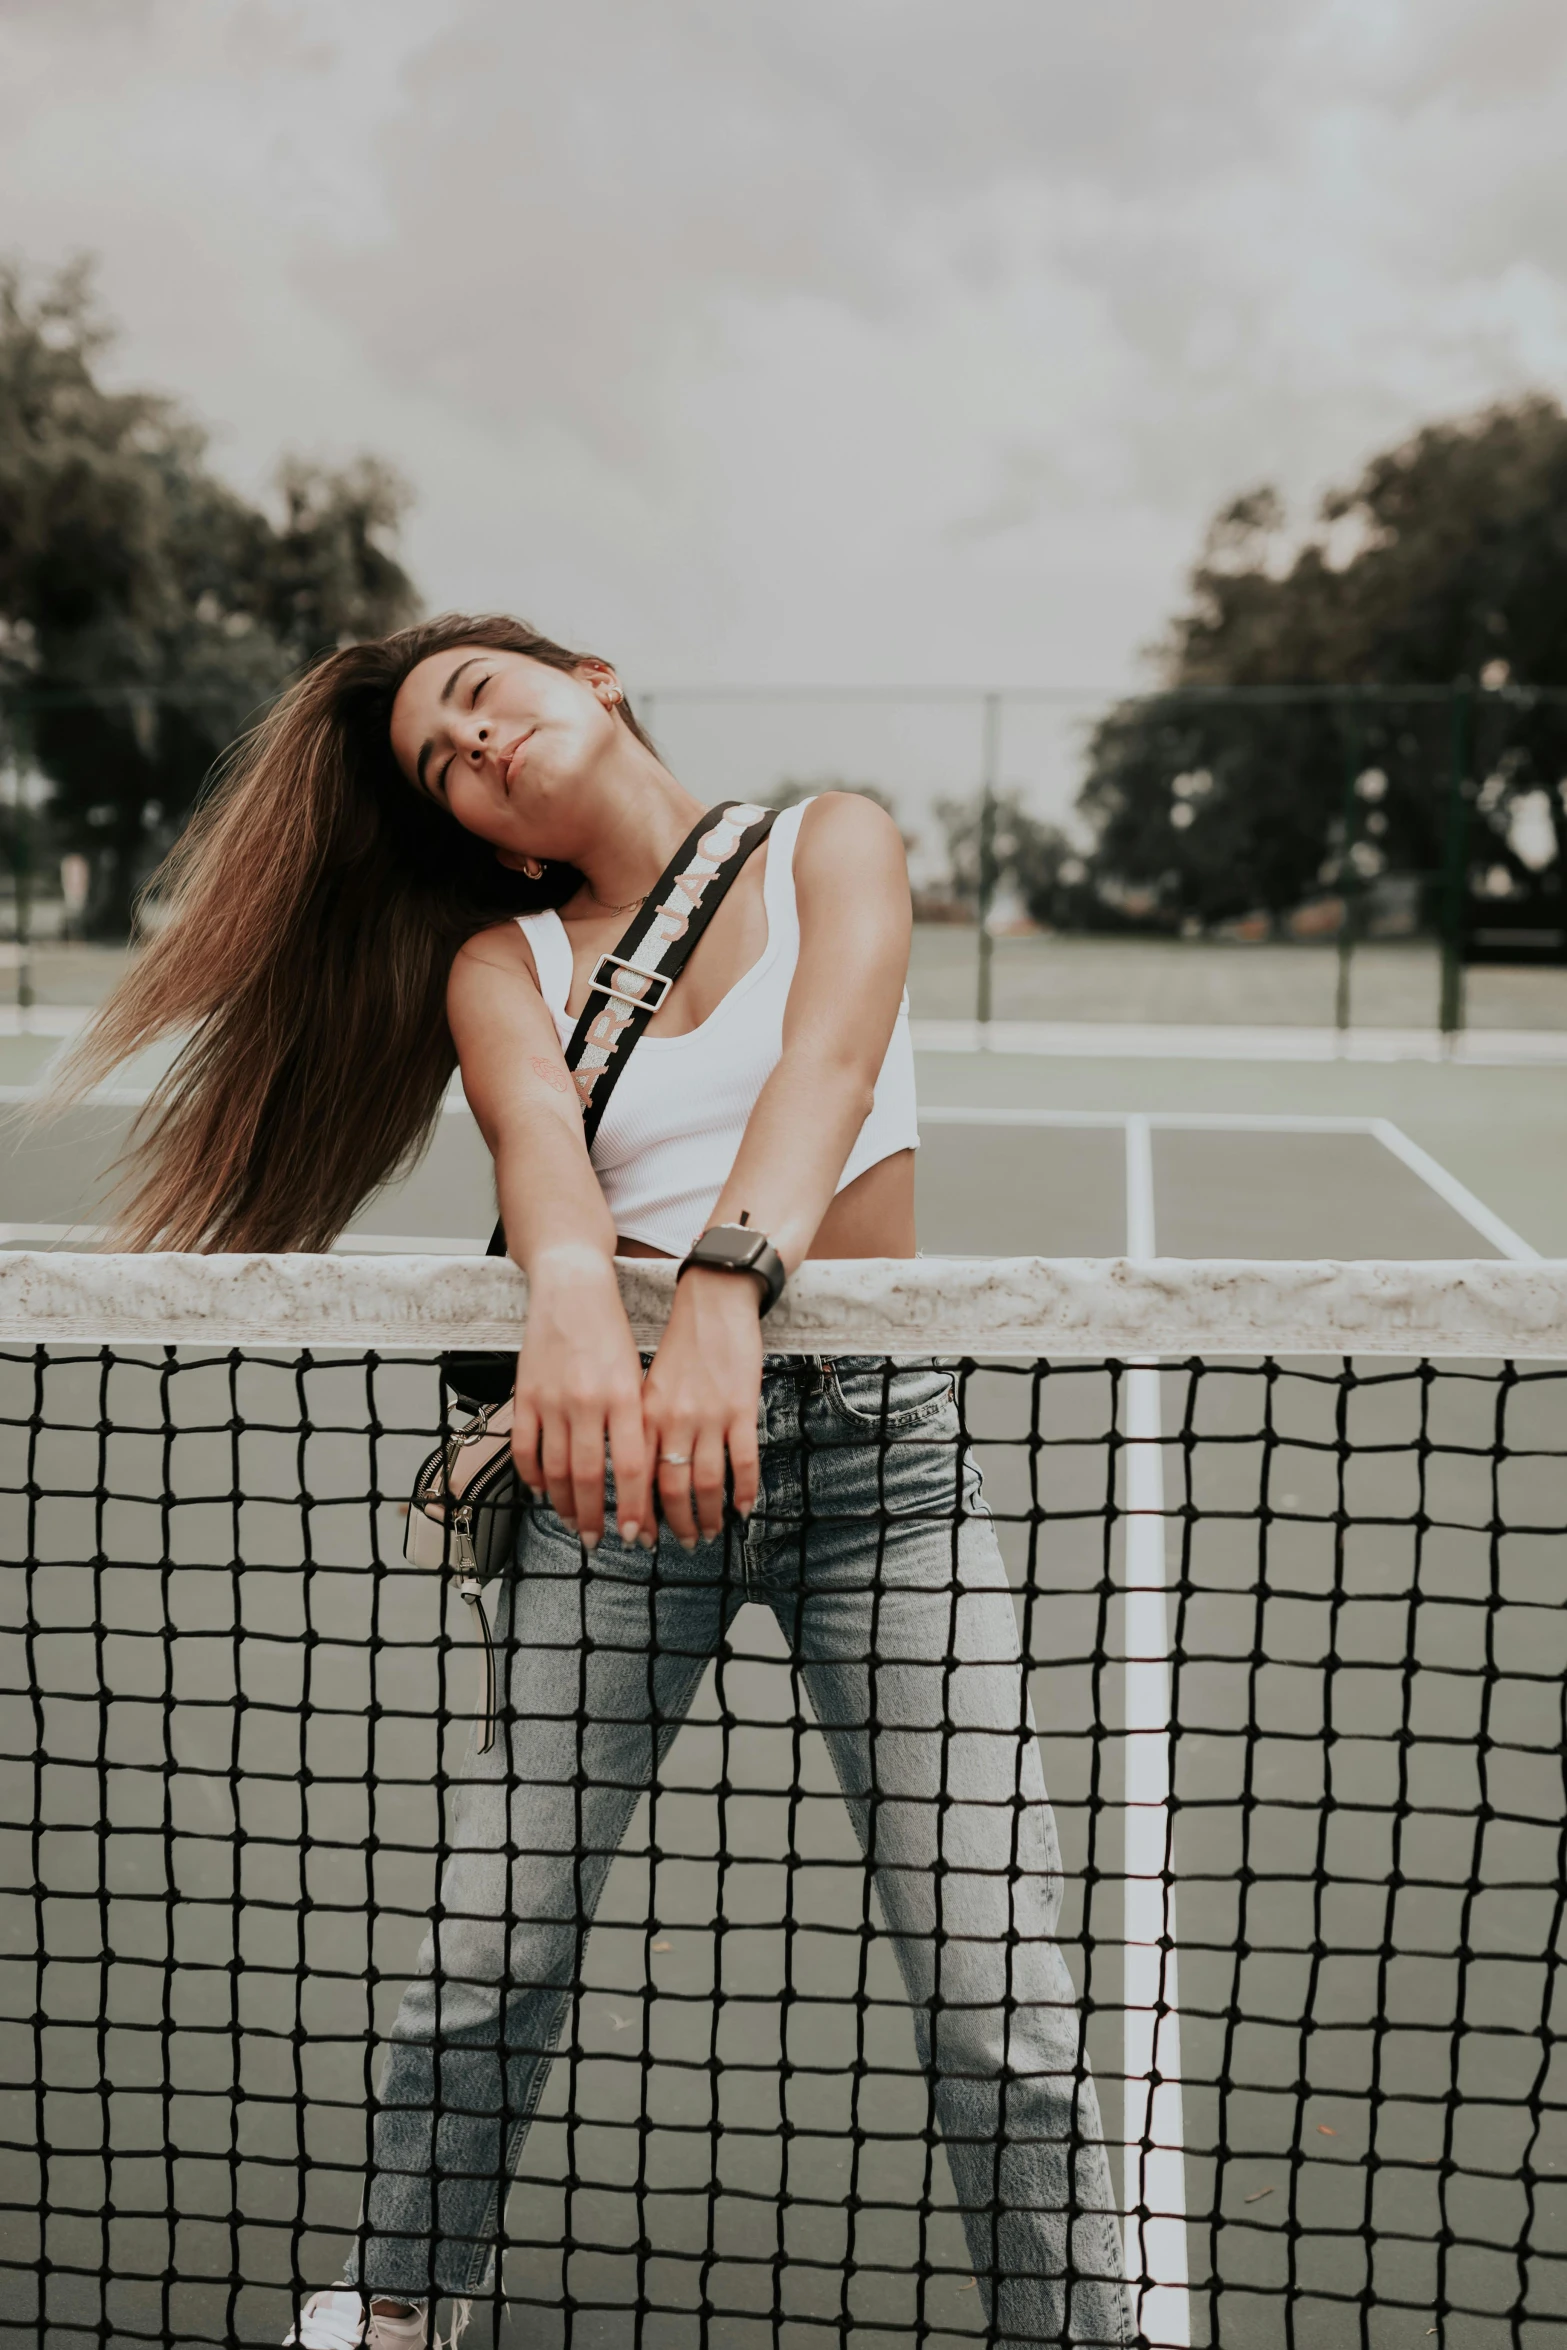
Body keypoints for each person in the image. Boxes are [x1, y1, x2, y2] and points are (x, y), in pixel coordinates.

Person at [63, 617, 1129, 2350]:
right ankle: (404, 2300)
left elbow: (827, 1068)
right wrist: (576, 1300)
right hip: (616, 1475)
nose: (473, 745)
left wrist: (724, 1283)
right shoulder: (505, 959)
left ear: (593, 679)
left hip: (882, 1467)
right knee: (487, 1955)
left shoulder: (826, 841)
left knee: (995, 1993)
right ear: (482, 834)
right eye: (440, 764)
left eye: (482, 698)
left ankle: (1075, 2321)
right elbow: (542, 1161)